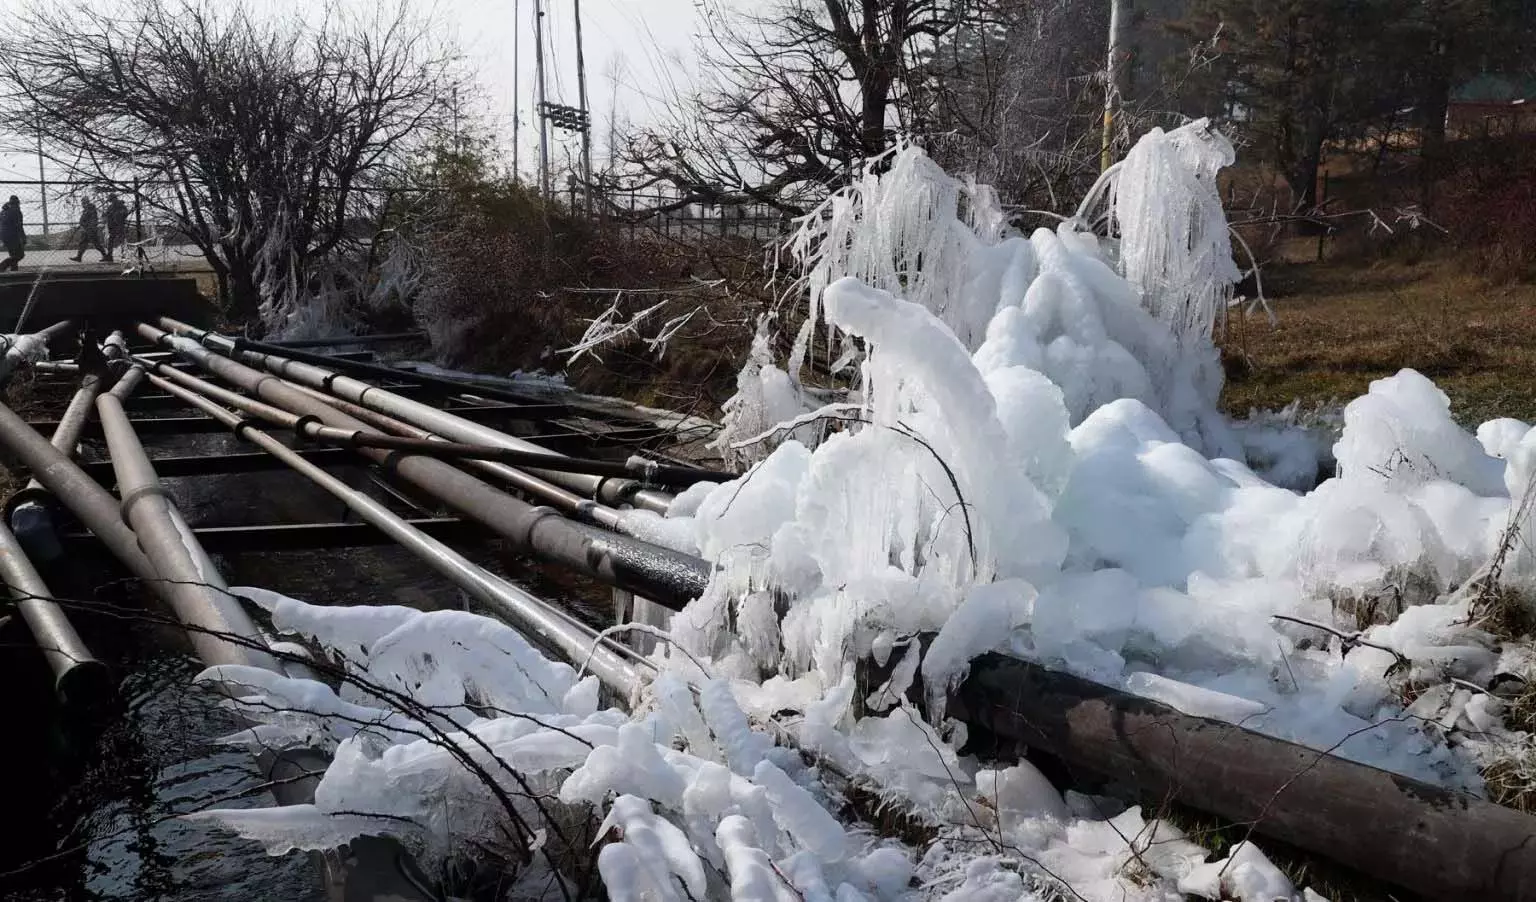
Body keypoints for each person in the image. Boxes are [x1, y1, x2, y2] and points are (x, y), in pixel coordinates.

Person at [70, 198, 106, 263]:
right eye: (82, 203)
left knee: (96, 244)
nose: (82, 205)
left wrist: (89, 227)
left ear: (86, 203)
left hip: (91, 230)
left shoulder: (91, 210)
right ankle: (79, 257)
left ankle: (105, 255)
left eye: (83, 203)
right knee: (83, 243)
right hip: (86, 230)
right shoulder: (86, 210)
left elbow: (93, 221)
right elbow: (84, 220)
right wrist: (81, 225)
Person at [0, 196, 24, 272]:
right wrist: (23, 237)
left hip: (4, 235)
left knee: (13, 255)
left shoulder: (3, 212)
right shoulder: (16, 211)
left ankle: (14, 271)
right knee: (20, 255)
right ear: (17, 203)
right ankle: (2, 266)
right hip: (13, 235)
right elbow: (19, 226)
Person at [104, 194, 128, 263]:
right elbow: (107, 215)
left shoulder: (121, 205)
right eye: (111, 200)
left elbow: (125, 213)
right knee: (111, 241)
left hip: (119, 225)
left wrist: (117, 215)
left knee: (121, 241)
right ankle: (110, 256)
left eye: (111, 199)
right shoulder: (111, 206)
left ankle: (123, 257)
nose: (111, 201)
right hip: (113, 226)